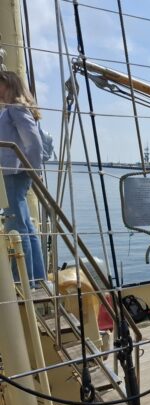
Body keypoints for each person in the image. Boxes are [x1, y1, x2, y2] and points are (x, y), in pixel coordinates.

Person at [0, 70, 46, 285]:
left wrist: (33, 170)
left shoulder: (15, 108)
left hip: (14, 173)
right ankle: (37, 278)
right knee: (26, 227)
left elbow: (33, 141)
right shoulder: (11, 109)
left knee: (17, 227)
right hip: (15, 172)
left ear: (8, 84)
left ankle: (22, 281)